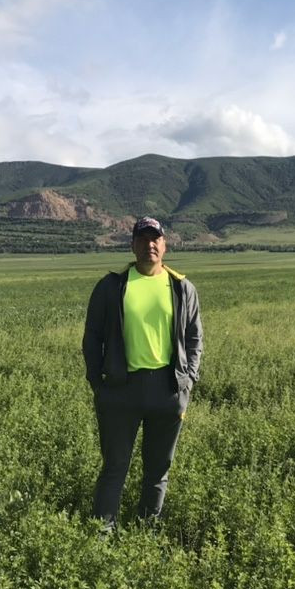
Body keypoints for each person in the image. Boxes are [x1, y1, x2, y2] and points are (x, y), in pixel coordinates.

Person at [82, 216, 203, 532]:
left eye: (156, 239)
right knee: (114, 468)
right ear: (133, 245)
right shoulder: (113, 286)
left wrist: (188, 381)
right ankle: (101, 537)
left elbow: (194, 338)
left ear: (164, 245)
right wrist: (98, 384)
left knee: (157, 471)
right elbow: (92, 336)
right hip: (121, 390)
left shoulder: (181, 287)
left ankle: (145, 537)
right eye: (143, 238)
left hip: (167, 390)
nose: (150, 244)